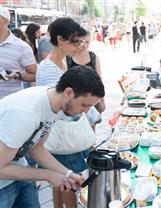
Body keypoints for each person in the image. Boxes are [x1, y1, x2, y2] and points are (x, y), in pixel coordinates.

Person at [0, 66, 105, 208]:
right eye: (84, 105)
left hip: (19, 171)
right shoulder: (26, 113)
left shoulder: (53, 103)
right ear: (68, 92)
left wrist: (68, 173)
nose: (85, 111)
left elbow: (36, 147)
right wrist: (48, 175)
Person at [35, 18, 93, 208]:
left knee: (60, 183)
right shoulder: (49, 68)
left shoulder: (61, 62)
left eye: (81, 42)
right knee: (69, 184)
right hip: (60, 135)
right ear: (60, 40)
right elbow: (55, 108)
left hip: (62, 135)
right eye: (75, 42)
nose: (79, 46)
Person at [66, 31, 106, 116]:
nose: (84, 45)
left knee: (92, 125)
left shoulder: (94, 57)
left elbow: (99, 80)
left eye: (87, 42)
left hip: (92, 100)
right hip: (75, 101)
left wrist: (102, 100)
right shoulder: (68, 58)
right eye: (81, 41)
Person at [0, 6, 36, 99]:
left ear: (5, 20)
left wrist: (16, 75)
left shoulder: (22, 47)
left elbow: (35, 75)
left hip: (9, 103)